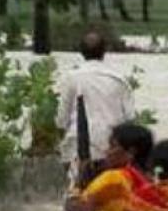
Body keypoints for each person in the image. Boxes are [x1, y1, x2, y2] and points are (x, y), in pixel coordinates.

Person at [55, 31, 136, 185]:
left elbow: (61, 120)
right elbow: (130, 119)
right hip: (112, 150)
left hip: (79, 149)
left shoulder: (71, 78)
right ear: (104, 52)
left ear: (81, 52)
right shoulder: (119, 80)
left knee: (77, 193)